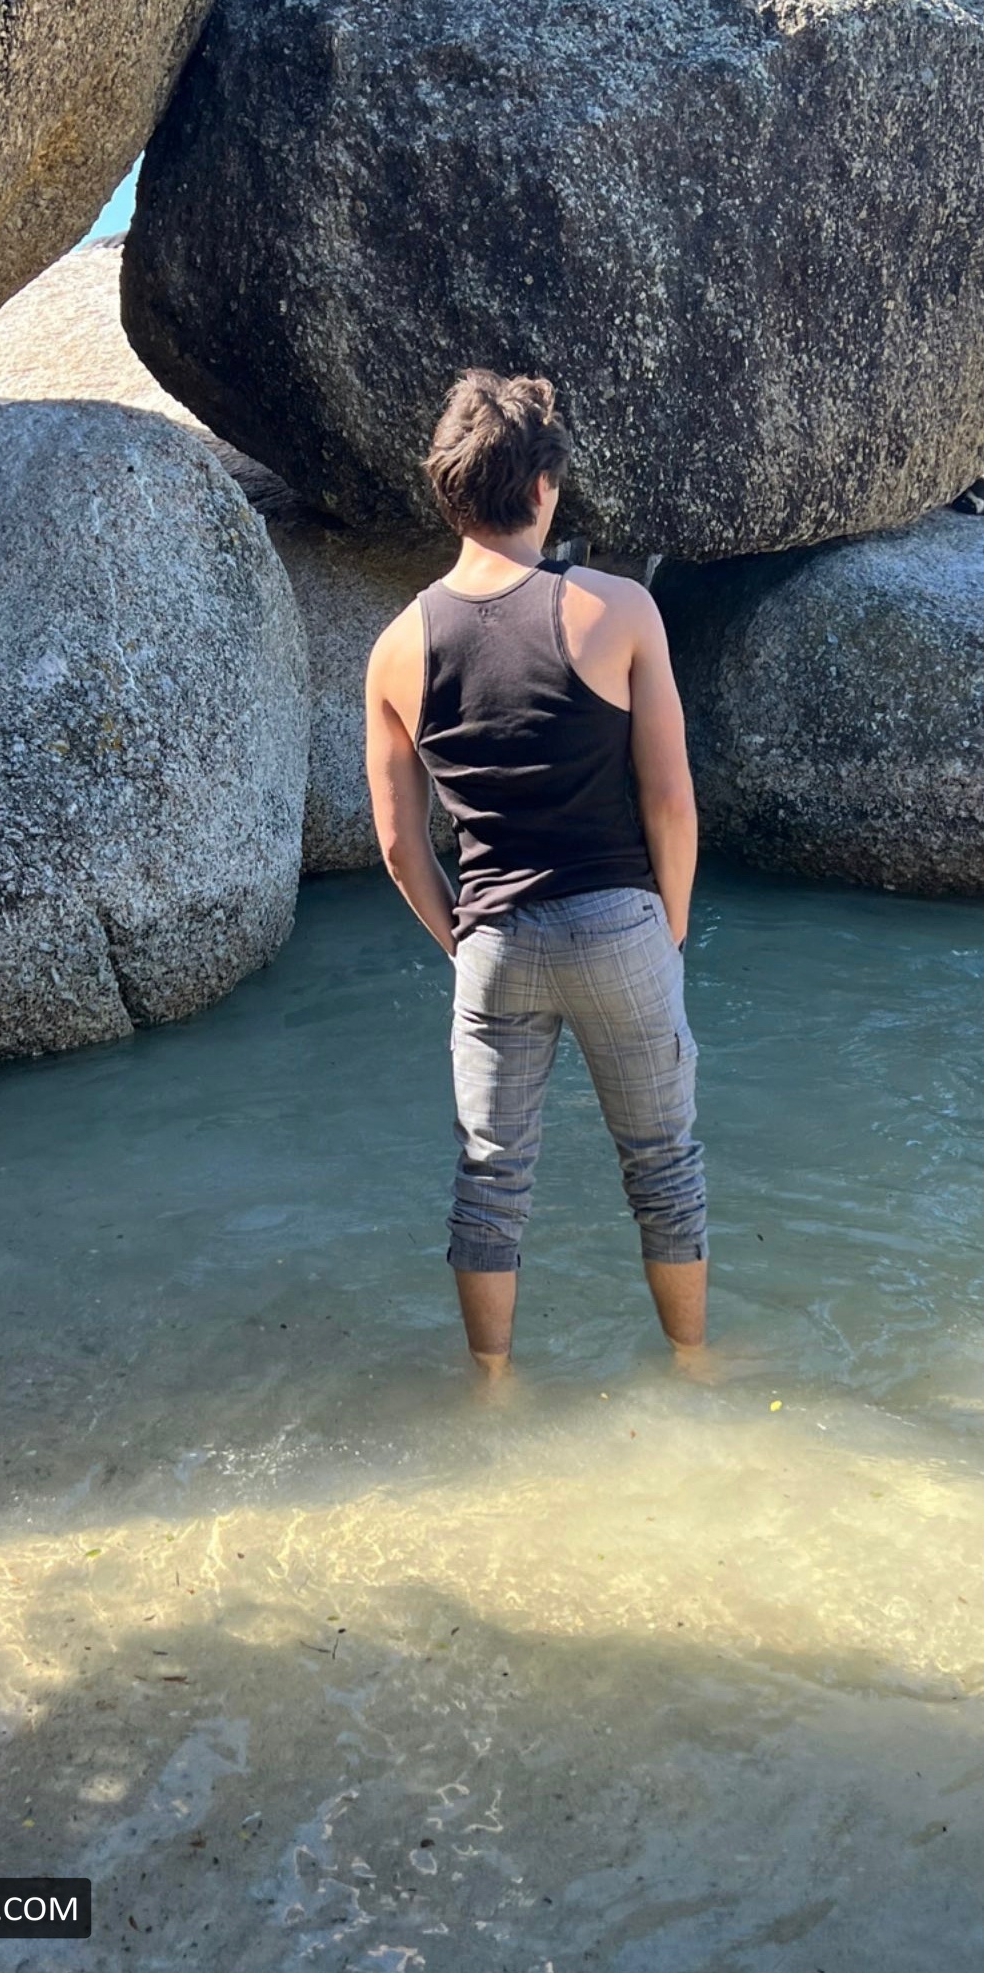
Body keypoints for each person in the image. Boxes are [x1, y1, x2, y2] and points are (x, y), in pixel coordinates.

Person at [364, 368, 707, 1376]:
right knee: (663, 1166)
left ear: (448, 490)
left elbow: (400, 845)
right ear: (543, 487)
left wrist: (465, 938)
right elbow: (670, 800)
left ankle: (492, 1387)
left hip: (495, 944)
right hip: (620, 923)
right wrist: (669, 925)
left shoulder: (397, 647)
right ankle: (693, 1366)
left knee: (491, 1180)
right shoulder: (620, 609)